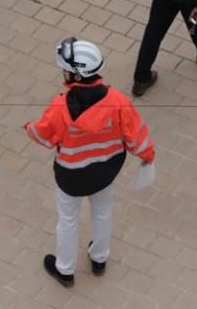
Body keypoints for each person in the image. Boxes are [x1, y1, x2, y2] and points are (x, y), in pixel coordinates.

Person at [24, 38, 155, 287]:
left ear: (76, 75)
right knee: (103, 212)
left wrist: (28, 128)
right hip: (105, 172)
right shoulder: (117, 101)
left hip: (70, 176)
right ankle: (99, 258)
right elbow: (136, 135)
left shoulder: (60, 105)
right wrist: (148, 156)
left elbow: (43, 135)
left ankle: (64, 269)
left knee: (68, 220)